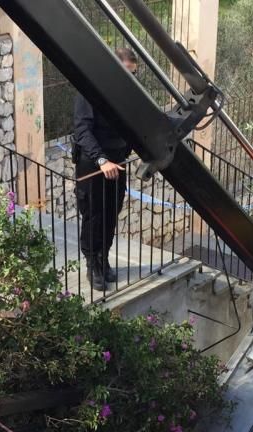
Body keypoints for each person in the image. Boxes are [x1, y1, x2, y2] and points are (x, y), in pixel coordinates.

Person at [72, 47, 138, 291]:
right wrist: (101, 159)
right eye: (126, 73)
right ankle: (93, 265)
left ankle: (104, 258)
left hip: (117, 161)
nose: (131, 79)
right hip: (94, 163)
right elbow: (82, 130)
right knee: (94, 213)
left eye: (134, 74)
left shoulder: (126, 92)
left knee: (112, 212)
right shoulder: (90, 89)